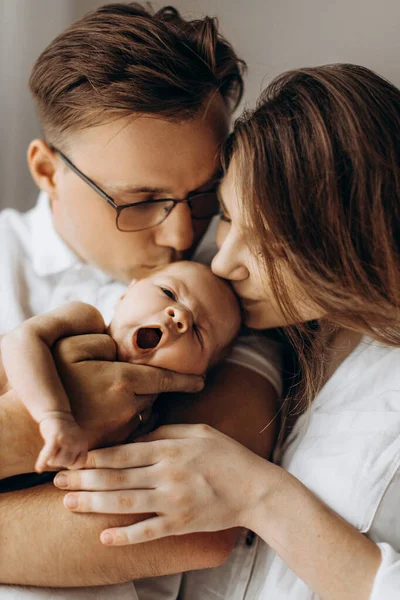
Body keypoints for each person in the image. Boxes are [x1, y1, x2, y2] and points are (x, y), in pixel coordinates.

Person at [51, 64, 400, 600]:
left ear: (355, 244)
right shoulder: (277, 327)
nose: (225, 263)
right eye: (230, 217)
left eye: (274, 246)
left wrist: (259, 497)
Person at [0, 3, 281, 598]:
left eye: (204, 196)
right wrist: (28, 428)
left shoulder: (227, 298)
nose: (183, 236)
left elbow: (191, 530)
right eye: (141, 200)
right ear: (48, 171)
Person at [1, 261, 241, 473]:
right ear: (126, 293)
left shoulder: (146, 423)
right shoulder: (85, 320)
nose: (180, 316)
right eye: (168, 292)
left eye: (199, 332)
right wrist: (53, 415)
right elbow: (20, 339)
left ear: (199, 373)